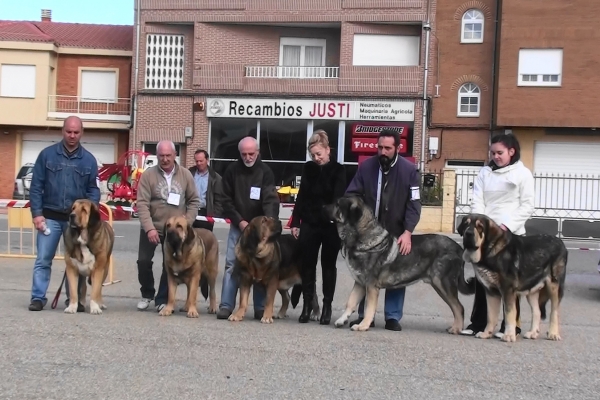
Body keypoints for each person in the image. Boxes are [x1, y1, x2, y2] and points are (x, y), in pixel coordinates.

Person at [345, 128, 422, 331]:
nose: (382, 152)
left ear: (398, 148)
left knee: (396, 272)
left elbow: (414, 205)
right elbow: (352, 194)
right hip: (368, 235)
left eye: (387, 148)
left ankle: (392, 317)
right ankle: (363, 316)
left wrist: (408, 232)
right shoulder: (366, 167)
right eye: (379, 147)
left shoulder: (409, 171)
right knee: (365, 274)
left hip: (396, 232)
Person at [460, 133, 535, 338]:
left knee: (508, 281)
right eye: (493, 153)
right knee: (483, 279)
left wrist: (506, 226)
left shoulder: (523, 174)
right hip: (485, 235)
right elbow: (478, 199)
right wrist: (479, 225)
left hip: (511, 235)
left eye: (500, 153)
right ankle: (479, 323)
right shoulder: (484, 173)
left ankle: (512, 326)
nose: (496, 156)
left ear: (512, 151)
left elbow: (528, 205)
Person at [28, 116, 100, 312]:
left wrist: (89, 215)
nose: (72, 136)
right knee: (43, 258)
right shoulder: (47, 155)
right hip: (50, 217)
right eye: (69, 131)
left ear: (81, 133)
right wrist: (37, 214)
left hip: (76, 223)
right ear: (63, 131)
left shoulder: (89, 160)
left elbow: (93, 190)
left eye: (76, 132)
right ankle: (38, 297)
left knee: (77, 262)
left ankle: (74, 301)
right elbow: (36, 187)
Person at [216, 136, 280, 320]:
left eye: (251, 153)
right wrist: (240, 221)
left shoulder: (265, 172)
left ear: (258, 152)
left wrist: (268, 223)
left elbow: (270, 199)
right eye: (244, 154)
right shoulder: (232, 171)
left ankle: (260, 308)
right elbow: (225, 200)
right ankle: (226, 305)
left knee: (261, 267)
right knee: (232, 265)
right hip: (239, 226)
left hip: (259, 230)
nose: (248, 157)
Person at [135, 140, 200, 312]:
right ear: (157, 156)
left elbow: (194, 201)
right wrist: (149, 228)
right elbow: (141, 204)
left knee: (168, 265)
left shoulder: (185, 175)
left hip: (175, 231)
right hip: (153, 227)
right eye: (161, 156)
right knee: (143, 261)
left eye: (168, 156)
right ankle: (147, 294)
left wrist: (187, 222)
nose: (165, 159)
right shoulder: (148, 175)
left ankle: (162, 299)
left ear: (174, 155)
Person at [290, 130, 346, 325]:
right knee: (307, 265)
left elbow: (338, 199)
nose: (316, 158)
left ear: (327, 150)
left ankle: (327, 306)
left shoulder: (339, 170)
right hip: (310, 224)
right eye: (313, 155)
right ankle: (307, 306)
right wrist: (295, 222)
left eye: (319, 154)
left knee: (328, 265)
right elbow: (302, 196)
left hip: (330, 225)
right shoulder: (308, 169)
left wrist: (332, 218)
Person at [188, 149, 224, 231]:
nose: (199, 163)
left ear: (207, 160)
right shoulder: (189, 173)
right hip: (190, 211)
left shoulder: (215, 178)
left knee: (204, 241)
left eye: (201, 161)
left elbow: (219, 200)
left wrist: (213, 215)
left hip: (206, 214)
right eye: (197, 161)